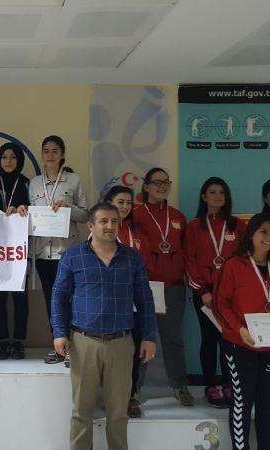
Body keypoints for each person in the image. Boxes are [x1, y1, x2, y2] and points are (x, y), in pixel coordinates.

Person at [51, 203, 156, 450]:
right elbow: (58, 297)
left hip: (121, 343)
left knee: (118, 413)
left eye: (114, 221)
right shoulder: (73, 256)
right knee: (81, 411)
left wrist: (149, 336)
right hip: (83, 342)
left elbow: (145, 300)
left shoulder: (131, 257)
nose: (110, 226)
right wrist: (59, 333)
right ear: (91, 226)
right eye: (104, 221)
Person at [132, 167, 193, 406]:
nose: (162, 186)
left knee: (173, 339)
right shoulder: (136, 215)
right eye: (156, 182)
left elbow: (186, 251)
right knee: (141, 339)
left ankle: (179, 386)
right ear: (146, 186)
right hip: (145, 287)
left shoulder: (178, 216)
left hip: (173, 287)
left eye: (166, 182)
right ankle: (134, 390)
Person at [185, 177, 245, 408]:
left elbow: (243, 259)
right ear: (204, 197)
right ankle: (210, 385)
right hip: (205, 295)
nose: (218, 196)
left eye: (222, 192)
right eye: (212, 192)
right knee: (209, 339)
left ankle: (229, 384)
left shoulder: (237, 225)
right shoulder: (194, 226)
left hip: (230, 296)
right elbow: (190, 261)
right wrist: (203, 291)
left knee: (229, 340)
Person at [29, 135, 88, 364]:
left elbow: (86, 215)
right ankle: (59, 347)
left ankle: (75, 349)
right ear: (42, 155)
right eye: (46, 151)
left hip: (67, 253)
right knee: (51, 302)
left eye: (55, 151)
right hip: (43, 252)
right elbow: (30, 217)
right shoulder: (34, 183)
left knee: (70, 300)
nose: (50, 155)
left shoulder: (73, 180)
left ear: (62, 154)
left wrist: (68, 207)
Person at [213, 213, 270, 450]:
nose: (268, 237)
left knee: (266, 403)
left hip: (268, 347)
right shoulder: (235, 265)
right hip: (240, 344)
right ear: (252, 234)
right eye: (263, 231)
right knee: (242, 402)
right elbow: (221, 304)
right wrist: (239, 329)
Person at [102, 185, 152, 418]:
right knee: (110, 353)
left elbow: (146, 263)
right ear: (109, 203)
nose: (125, 207)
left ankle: (130, 395)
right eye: (120, 202)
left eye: (128, 203)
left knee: (134, 351)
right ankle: (108, 397)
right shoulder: (102, 231)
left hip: (136, 301)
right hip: (111, 303)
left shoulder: (138, 231)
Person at [0, 142, 30, 360]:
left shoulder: (26, 183)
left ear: (19, 160)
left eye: (12, 157)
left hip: (18, 249)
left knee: (20, 297)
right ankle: (2, 341)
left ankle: (19, 342)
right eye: (4, 157)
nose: (8, 161)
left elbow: (35, 211)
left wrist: (25, 208)